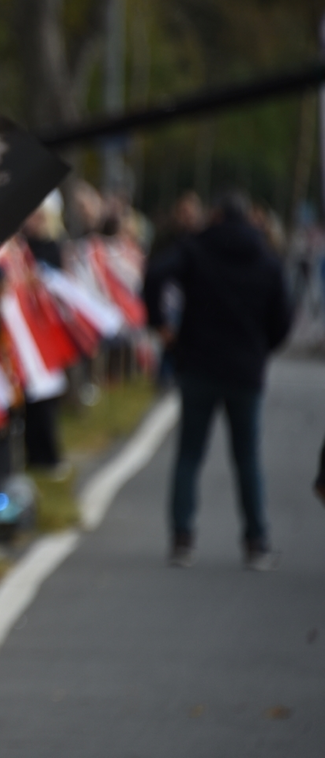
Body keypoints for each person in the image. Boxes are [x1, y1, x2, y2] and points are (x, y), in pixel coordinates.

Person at [144, 192, 293, 569]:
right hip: (245, 369)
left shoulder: (195, 248)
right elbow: (283, 317)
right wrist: (263, 347)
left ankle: (182, 538)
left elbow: (156, 274)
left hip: (198, 363)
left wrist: (162, 327)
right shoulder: (266, 258)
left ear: (215, 216)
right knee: (247, 457)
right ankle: (256, 541)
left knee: (190, 454)